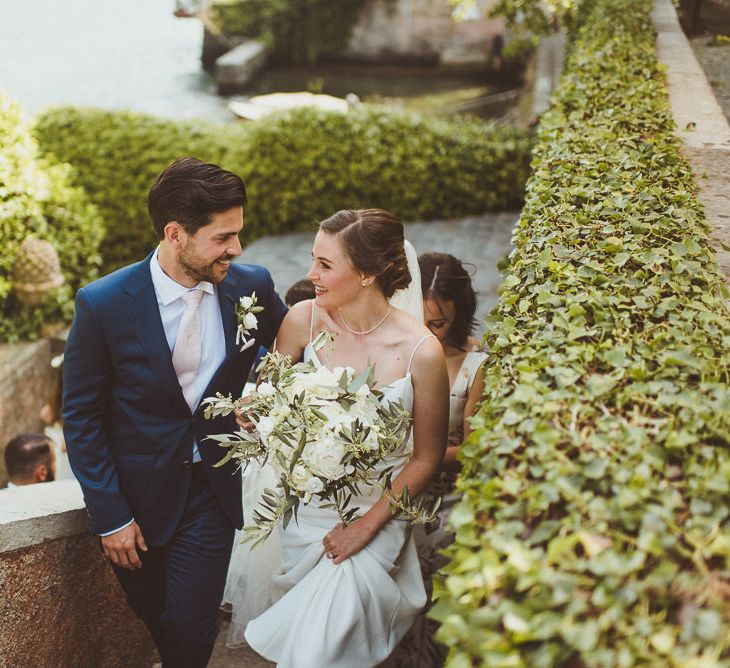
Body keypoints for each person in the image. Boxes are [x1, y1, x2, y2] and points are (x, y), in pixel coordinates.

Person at [62, 157, 288, 668]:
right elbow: (80, 416)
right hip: (135, 497)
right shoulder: (103, 303)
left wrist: (264, 390)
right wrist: (112, 514)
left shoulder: (250, 284)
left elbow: (290, 347)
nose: (237, 248)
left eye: (238, 234)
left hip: (212, 487)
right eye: (223, 237)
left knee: (191, 625)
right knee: (155, 615)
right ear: (175, 234)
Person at [233, 209, 450, 667]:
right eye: (314, 260)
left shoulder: (421, 352)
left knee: (317, 648)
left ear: (368, 273)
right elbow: (268, 396)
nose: (311, 274)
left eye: (325, 265)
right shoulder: (301, 321)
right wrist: (254, 413)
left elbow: (426, 458)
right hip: (304, 512)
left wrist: (363, 529)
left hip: (376, 516)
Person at [394, 252, 487, 667]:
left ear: (460, 314)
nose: (428, 334)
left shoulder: (476, 365)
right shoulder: (400, 351)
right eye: (421, 320)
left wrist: (420, 453)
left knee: (437, 605)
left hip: (445, 503)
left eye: (439, 323)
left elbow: (472, 448)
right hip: (394, 492)